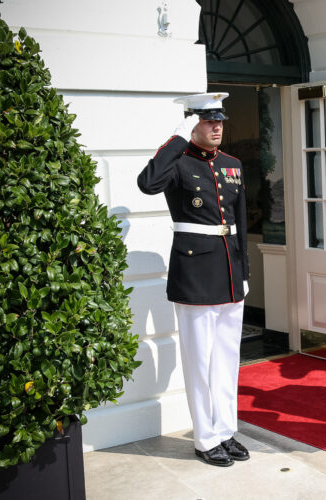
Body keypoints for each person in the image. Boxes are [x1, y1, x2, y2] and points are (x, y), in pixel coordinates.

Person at [137, 92, 250, 467]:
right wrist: (176, 140)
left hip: (230, 273)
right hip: (195, 273)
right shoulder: (177, 162)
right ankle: (205, 438)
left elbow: (241, 224)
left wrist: (245, 272)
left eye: (219, 120)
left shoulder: (232, 164)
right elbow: (147, 183)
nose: (217, 126)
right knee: (199, 360)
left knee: (227, 359)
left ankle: (225, 430)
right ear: (191, 123)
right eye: (207, 120)